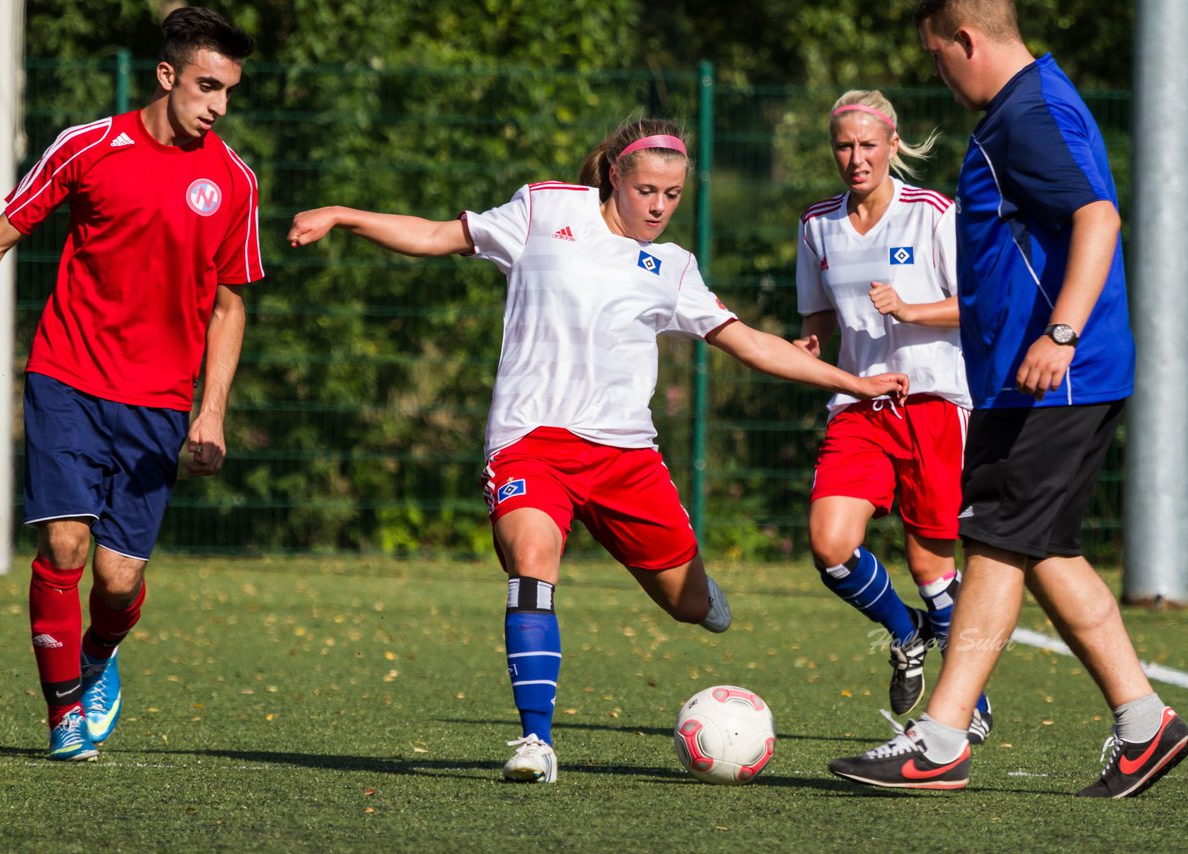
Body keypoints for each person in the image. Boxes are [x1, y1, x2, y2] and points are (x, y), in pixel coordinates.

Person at [288, 118, 909, 784]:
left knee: (689, 605)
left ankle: (700, 596)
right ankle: (535, 742)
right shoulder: (543, 208)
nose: (660, 206)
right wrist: (342, 214)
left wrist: (854, 382)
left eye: (673, 195)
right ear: (615, 175)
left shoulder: (673, 267)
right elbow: (440, 235)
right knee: (532, 559)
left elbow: (752, 343)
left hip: (624, 459)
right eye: (647, 190)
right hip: (530, 442)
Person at [828, 0, 1188, 797]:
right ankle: (1145, 725)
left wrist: (1058, 334)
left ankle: (942, 739)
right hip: (1031, 382)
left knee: (995, 538)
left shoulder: (1027, 113)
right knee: (1044, 549)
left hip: (1055, 381)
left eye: (936, 56)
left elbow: (1097, 217)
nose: (937, 70)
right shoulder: (1030, 105)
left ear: (966, 40)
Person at [0, 7, 261, 761]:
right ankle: (62, 715)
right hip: (66, 376)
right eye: (207, 86)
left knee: (116, 577)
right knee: (66, 548)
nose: (219, 106)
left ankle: (100, 656)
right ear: (166, 76)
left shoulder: (233, 181)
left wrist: (212, 412)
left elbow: (230, 305)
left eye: (229, 90)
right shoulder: (89, 146)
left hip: (160, 401)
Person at [795, 89, 990, 741]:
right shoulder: (816, 224)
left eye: (867, 145)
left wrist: (911, 309)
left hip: (934, 402)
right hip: (861, 402)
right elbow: (818, 316)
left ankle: (970, 701)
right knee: (830, 543)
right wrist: (812, 344)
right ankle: (905, 631)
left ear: (892, 144)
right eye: (844, 146)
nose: (856, 158)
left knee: (933, 569)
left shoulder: (931, 213)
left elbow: (981, 305)